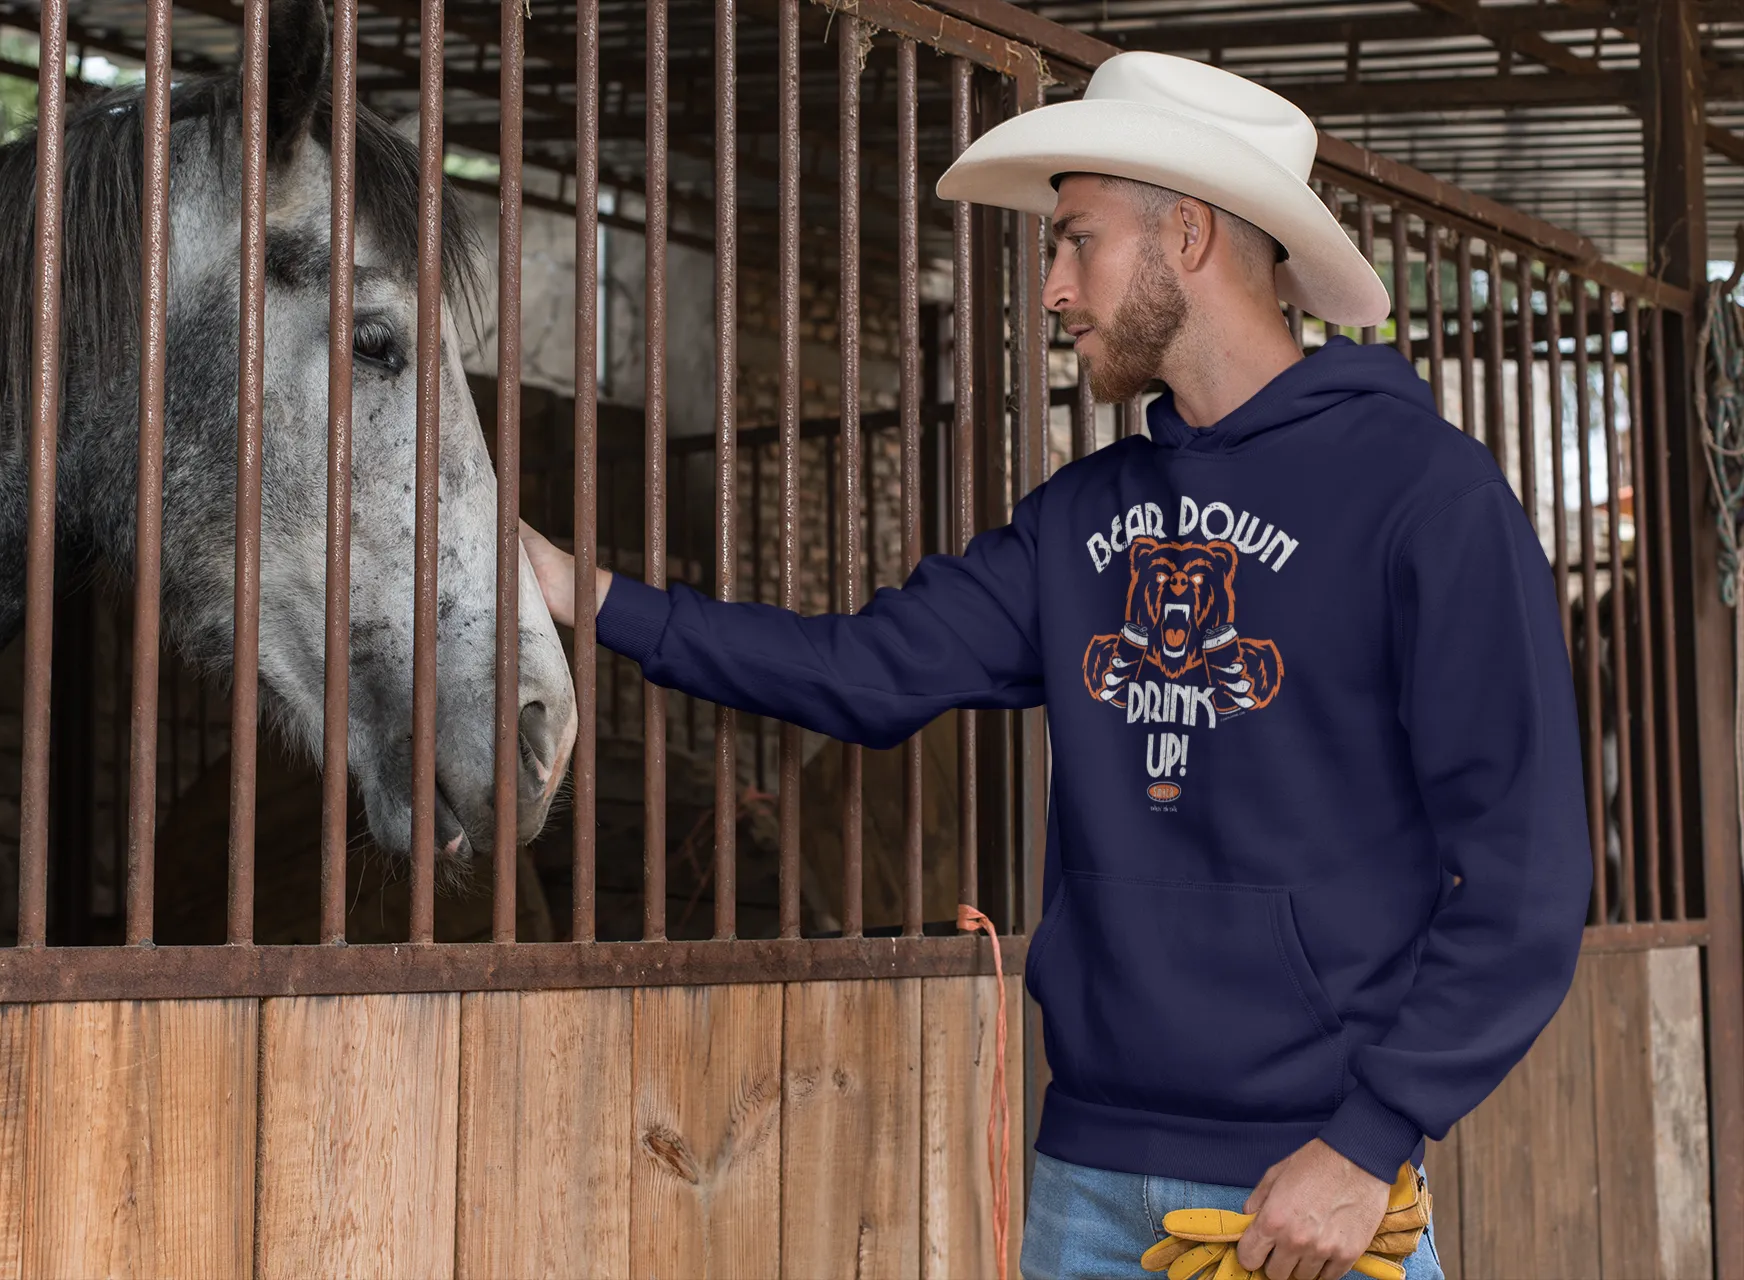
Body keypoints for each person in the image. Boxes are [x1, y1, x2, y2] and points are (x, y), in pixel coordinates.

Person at [520, 50, 1590, 1280]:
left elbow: (1527, 875)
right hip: (1084, 1185)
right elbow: (863, 670)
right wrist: (589, 598)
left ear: (1186, 233)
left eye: (1077, 240)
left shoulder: (1425, 497)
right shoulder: (1080, 520)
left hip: (1309, 1193)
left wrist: (1369, 1139)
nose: (1051, 289)